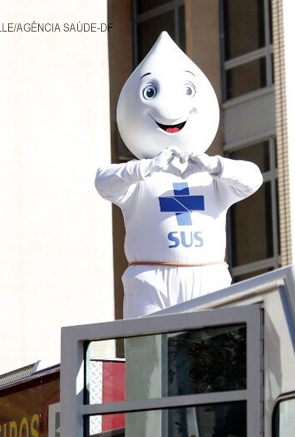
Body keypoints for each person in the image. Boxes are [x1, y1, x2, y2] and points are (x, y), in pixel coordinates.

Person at [95, 32, 262, 318]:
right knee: (147, 342)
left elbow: (253, 178)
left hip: (207, 278)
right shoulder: (138, 180)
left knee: (212, 342)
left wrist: (213, 165)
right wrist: (147, 167)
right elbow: (104, 181)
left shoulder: (213, 178)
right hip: (149, 280)